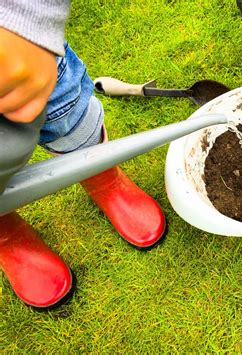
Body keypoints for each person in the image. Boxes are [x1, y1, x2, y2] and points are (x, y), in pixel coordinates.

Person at [0, 1, 166, 309]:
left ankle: (105, 181)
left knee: (66, 113)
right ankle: (5, 234)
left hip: (13, 39)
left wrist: (26, 19)